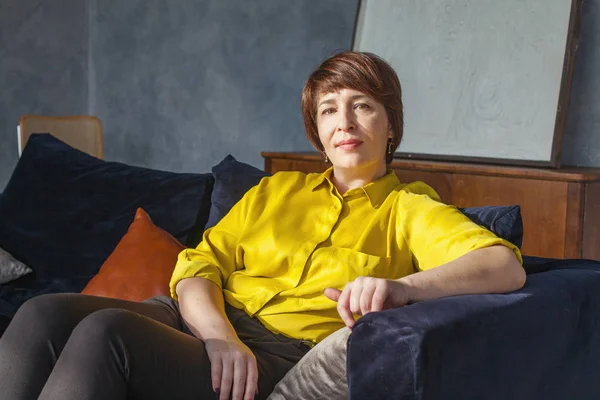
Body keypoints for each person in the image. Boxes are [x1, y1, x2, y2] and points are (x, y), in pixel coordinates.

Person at [0, 51, 525, 400]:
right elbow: (200, 262)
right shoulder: (277, 190)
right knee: (43, 312)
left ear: (390, 128)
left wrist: (402, 287)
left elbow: (503, 265)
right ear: (317, 133)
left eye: (362, 106)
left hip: (273, 352)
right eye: (328, 110)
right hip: (198, 322)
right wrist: (218, 336)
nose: (344, 123)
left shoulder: (408, 208)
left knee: (106, 332)